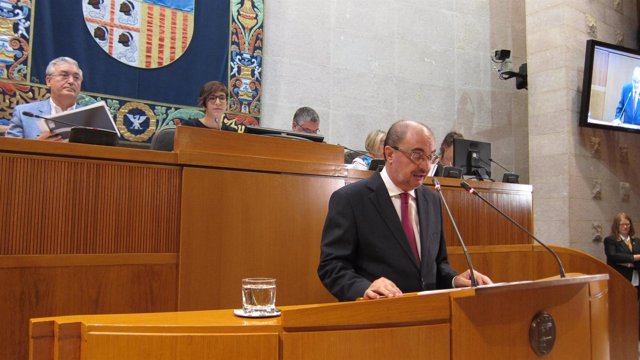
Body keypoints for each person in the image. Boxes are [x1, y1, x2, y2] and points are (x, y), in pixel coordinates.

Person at [318, 120, 492, 301]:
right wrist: (365, 288)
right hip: (377, 317)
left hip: (430, 316)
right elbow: (332, 266)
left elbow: (437, 265)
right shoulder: (351, 199)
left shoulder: (431, 200)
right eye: (417, 155)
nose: (425, 166)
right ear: (390, 154)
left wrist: (455, 280)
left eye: (429, 157)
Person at [6, 57, 84, 140]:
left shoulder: (91, 116)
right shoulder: (24, 114)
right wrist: (38, 146)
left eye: (76, 77)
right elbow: (8, 150)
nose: (71, 81)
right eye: (64, 75)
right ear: (49, 81)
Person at [604, 212, 640, 297]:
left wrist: (628, 263)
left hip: (636, 278)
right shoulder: (611, 240)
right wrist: (635, 257)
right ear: (617, 225)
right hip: (620, 278)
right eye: (622, 224)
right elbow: (613, 256)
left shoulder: (637, 241)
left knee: (634, 305)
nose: (625, 227)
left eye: (627, 224)